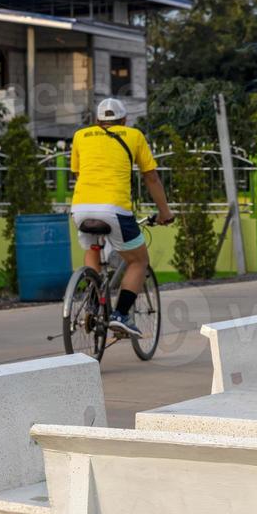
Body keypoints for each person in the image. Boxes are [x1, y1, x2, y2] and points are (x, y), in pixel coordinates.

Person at [69, 98, 173, 339]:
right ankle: (120, 315)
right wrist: (165, 213)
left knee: (93, 246)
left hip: (81, 208)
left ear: (97, 121)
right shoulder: (133, 136)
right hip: (114, 209)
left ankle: (93, 304)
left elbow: (77, 172)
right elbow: (151, 178)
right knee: (138, 261)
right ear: (124, 121)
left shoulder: (80, 136)